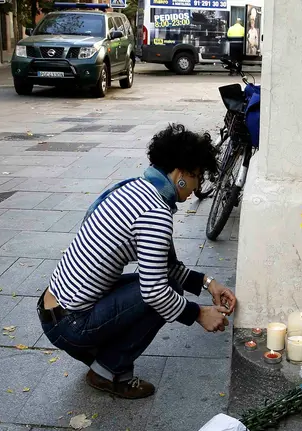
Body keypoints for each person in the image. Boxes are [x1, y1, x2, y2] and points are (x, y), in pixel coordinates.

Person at [38, 124, 237, 399]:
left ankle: (101, 352)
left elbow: (167, 267)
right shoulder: (156, 212)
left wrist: (208, 283)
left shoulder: (137, 188)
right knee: (165, 293)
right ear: (180, 174)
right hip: (70, 324)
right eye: (197, 177)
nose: (196, 187)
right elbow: (154, 291)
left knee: (167, 287)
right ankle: (108, 371)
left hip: (54, 310)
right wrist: (199, 314)